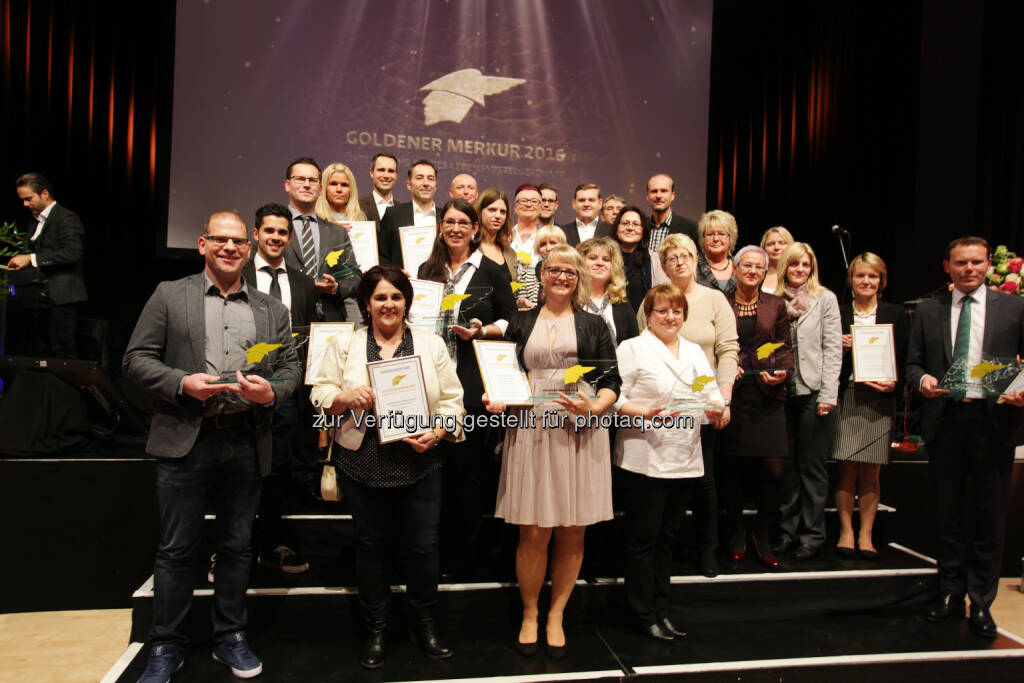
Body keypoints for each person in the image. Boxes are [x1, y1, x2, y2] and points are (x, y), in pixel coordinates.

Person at [123, 211, 300, 682]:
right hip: (186, 437)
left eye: (238, 241)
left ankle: (230, 637)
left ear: (250, 248)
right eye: (220, 240)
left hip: (245, 439)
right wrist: (182, 382)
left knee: (238, 547)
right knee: (177, 549)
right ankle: (166, 645)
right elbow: (135, 359)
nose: (229, 248)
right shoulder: (170, 295)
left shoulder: (270, 309)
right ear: (202, 244)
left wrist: (272, 392)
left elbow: (290, 370)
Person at [310, 265, 466, 668]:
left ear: (407, 302)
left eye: (396, 297)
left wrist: (438, 431)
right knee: (371, 547)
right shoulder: (348, 344)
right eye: (380, 297)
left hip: (421, 460)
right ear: (366, 302)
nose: (389, 304)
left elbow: (453, 401)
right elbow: (321, 393)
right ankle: (376, 629)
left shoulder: (430, 345)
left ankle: (424, 622)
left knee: (423, 548)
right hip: (363, 459)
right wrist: (347, 396)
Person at [485, 244, 620, 659]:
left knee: (573, 528)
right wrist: (498, 397)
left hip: (581, 428)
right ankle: (530, 613)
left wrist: (594, 406)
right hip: (531, 428)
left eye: (570, 272)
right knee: (534, 529)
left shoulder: (595, 324)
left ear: (579, 278)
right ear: (541, 275)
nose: (562, 277)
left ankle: (556, 614)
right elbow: (503, 373)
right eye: (554, 270)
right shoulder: (521, 321)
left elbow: (612, 379)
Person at [906, 237, 1024, 638]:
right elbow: (913, 363)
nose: (969, 269)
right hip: (947, 421)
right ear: (947, 267)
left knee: (990, 516)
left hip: (995, 422)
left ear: (989, 264)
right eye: (961, 263)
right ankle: (950, 594)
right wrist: (922, 381)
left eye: (976, 262)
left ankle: (982, 603)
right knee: (948, 514)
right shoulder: (928, 309)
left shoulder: (1014, 306)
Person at [615, 284, 723, 641]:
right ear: (648, 314)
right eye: (662, 310)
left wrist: (717, 407)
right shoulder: (632, 348)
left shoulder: (693, 351)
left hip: (685, 455)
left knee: (668, 539)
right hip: (644, 456)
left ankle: (662, 609)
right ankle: (640, 613)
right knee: (642, 539)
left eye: (676, 311)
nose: (670, 317)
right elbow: (615, 397)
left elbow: (710, 391)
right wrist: (641, 412)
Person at [417, 199, 516, 579]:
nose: (456, 228)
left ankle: (461, 556)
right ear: (441, 225)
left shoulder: (491, 271)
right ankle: (430, 551)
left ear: (475, 228)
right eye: (449, 221)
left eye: (463, 222)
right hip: (431, 382)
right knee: (433, 470)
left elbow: (513, 322)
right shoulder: (428, 270)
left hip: (474, 381)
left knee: (468, 473)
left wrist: (482, 331)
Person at [639, 233, 738, 576]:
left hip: (702, 406)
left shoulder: (714, 300)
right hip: (663, 409)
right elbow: (642, 348)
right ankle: (667, 551)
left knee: (704, 482)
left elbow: (728, 350)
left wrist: (723, 399)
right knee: (665, 485)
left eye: (685, 255)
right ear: (663, 266)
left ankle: (707, 549)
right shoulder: (653, 299)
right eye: (671, 257)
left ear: (696, 259)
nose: (679, 261)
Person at [240, 203, 316, 576]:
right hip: (238, 389)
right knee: (239, 469)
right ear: (256, 234)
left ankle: (268, 543)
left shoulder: (302, 282)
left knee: (277, 470)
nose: (275, 238)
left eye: (282, 232)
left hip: (284, 392)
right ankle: (233, 549)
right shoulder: (238, 274)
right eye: (269, 231)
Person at [718, 246, 792, 569]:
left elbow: (785, 347)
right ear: (734, 269)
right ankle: (736, 530)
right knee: (732, 467)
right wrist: (722, 368)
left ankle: (762, 533)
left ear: (765, 272)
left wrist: (782, 372)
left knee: (774, 469)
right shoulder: (720, 301)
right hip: (732, 393)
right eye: (746, 265)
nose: (752, 271)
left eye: (758, 267)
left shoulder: (776, 304)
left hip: (767, 395)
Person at [831, 252, 908, 560]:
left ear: (881, 281)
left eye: (873, 276)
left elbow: (905, 358)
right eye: (860, 275)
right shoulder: (838, 312)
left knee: (871, 470)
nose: (866, 281)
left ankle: (866, 533)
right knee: (847, 467)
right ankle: (846, 530)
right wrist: (838, 343)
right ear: (851, 280)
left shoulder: (896, 314)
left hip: (879, 396)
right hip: (846, 393)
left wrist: (896, 384)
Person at [772, 242, 842, 561]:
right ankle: (787, 531)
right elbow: (762, 347)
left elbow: (832, 349)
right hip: (780, 394)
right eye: (794, 264)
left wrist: (829, 394)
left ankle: (813, 534)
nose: (800, 270)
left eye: (806, 265)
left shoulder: (825, 299)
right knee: (786, 467)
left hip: (815, 393)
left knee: (812, 467)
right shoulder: (771, 300)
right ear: (784, 266)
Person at [8, 173, 88, 358]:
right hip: (41, 297)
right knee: (41, 350)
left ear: (44, 193)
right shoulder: (35, 221)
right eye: (23, 200)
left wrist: (31, 258)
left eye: (29, 199)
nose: (25, 204)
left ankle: (68, 387)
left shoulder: (66, 218)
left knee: (62, 351)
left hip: (62, 297)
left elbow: (73, 253)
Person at [281, 157, 360, 322]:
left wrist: (336, 287)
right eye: (300, 179)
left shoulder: (337, 232)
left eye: (312, 180)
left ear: (320, 188)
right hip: (287, 319)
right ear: (287, 185)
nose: (307, 184)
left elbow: (354, 277)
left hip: (329, 322)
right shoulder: (275, 229)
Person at [579, 237, 639, 345]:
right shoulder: (570, 301)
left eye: (606, 259)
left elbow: (634, 347)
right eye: (593, 258)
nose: (599, 263)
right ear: (581, 262)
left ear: (613, 266)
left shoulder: (622, 305)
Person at [379, 159, 439, 268]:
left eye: (430, 179)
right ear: (409, 185)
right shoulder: (393, 214)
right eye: (419, 178)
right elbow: (382, 255)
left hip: (439, 282)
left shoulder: (446, 217)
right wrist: (394, 274)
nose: (426, 183)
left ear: (435, 185)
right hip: (401, 283)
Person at [610, 206, 653, 312]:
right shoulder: (605, 259)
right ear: (616, 229)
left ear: (643, 231)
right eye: (625, 223)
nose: (630, 228)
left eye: (636, 224)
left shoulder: (654, 261)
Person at [516, 225, 567, 310]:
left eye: (553, 243)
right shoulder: (526, 274)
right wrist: (521, 301)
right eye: (543, 244)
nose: (548, 248)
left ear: (563, 245)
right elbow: (521, 303)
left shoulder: (573, 273)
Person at [645, 173, 698, 251]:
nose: (658, 196)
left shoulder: (691, 229)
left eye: (664, 191)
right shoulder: (641, 227)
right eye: (654, 191)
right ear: (647, 196)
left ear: (672, 196)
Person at [475, 188, 518, 282]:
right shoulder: (468, 248)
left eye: (502, 212)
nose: (498, 216)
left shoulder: (510, 253)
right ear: (480, 211)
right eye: (492, 210)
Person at [695, 210, 738, 295]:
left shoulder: (739, 265)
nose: (716, 239)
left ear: (730, 237)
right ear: (703, 238)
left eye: (721, 234)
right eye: (710, 234)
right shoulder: (693, 265)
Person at [358, 153, 398, 233]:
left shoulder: (403, 211)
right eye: (381, 170)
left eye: (391, 171)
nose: (386, 175)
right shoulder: (358, 207)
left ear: (396, 175)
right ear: (371, 173)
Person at [509, 184, 542, 257]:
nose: (528, 204)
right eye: (523, 201)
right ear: (515, 208)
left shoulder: (548, 237)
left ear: (541, 208)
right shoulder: (506, 236)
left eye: (534, 201)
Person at [760, 226, 794, 293]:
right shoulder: (757, 274)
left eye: (781, 243)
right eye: (771, 244)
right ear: (764, 248)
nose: (776, 247)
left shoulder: (796, 273)